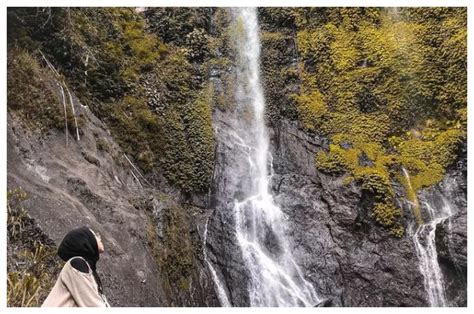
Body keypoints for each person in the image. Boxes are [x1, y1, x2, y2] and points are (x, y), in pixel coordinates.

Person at [42, 226, 110, 307]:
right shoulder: (77, 264)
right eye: (95, 236)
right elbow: (93, 304)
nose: (100, 238)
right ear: (86, 240)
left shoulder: (88, 268)